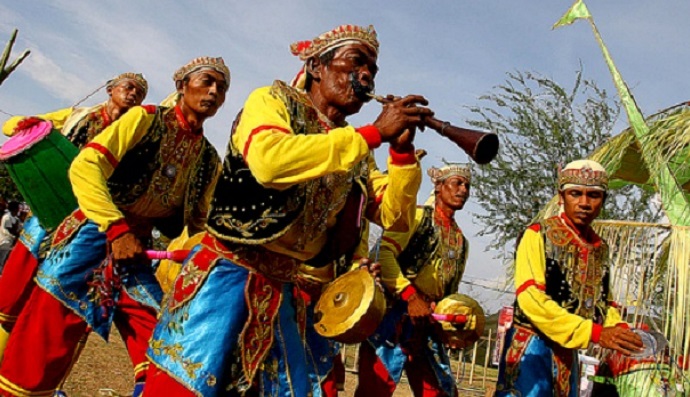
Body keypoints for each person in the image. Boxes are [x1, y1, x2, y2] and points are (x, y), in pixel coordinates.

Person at [144, 24, 430, 397]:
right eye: (356, 63)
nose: (365, 76)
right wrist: (372, 134)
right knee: (183, 388)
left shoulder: (357, 148)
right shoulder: (273, 101)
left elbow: (395, 217)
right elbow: (269, 163)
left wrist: (402, 153)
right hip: (226, 274)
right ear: (316, 67)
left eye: (373, 72)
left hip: (283, 292)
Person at [0, 57, 227, 397]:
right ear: (181, 86)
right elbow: (85, 166)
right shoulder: (145, 119)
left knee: (162, 350)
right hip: (90, 234)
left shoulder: (208, 158)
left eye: (221, 88)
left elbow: (202, 222)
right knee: (39, 351)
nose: (213, 91)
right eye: (207, 81)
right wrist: (115, 229)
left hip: (135, 250)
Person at [0, 72, 148, 360]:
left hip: (91, 227)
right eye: (128, 88)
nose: (133, 95)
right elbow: (13, 127)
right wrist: (20, 123)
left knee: (71, 305)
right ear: (109, 89)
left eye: (140, 94)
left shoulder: (136, 135)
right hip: (50, 215)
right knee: (14, 293)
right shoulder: (76, 115)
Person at [494, 159, 644, 397]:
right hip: (532, 345)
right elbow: (531, 298)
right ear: (561, 197)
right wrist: (596, 333)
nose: (584, 203)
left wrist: (620, 330)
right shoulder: (538, 235)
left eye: (593, 195)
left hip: (569, 351)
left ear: (603, 201)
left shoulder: (600, 248)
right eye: (576, 193)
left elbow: (604, 305)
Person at [353, 163, 472, 397]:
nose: (463, 190)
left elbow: (449, 289)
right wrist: (410, 296)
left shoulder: (461, 241)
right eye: (457, 183)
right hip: (393, 317)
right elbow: (382, 253)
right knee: (375, 389)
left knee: (440, 392)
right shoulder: (416, 216)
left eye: (467, 185)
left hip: (427, 323)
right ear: (439, 187)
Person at [0, 201, 21, 272]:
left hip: (9, 242)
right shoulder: (7, 217)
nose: (19, 209)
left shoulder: (16, 219)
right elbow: (11, 230)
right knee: (2, 258)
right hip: (4, 240)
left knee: (3, 259)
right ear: (14, 208)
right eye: (18, 208)